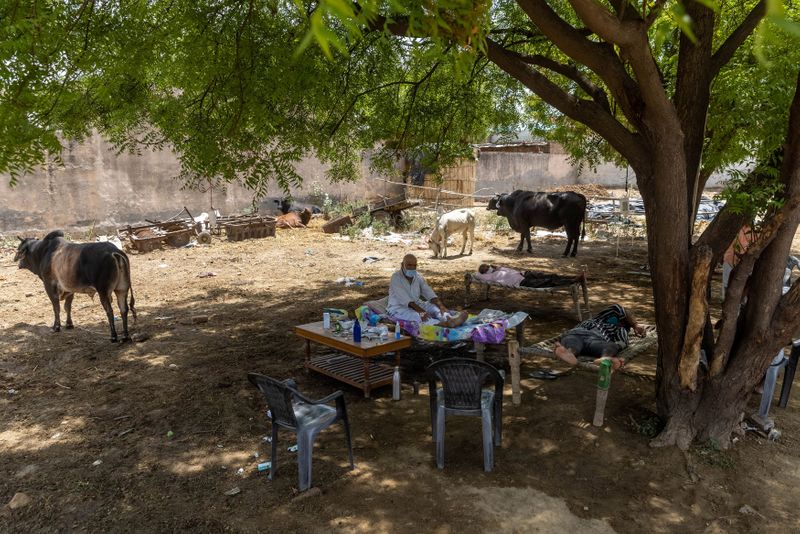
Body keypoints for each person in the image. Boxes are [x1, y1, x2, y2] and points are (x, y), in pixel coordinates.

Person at [553, 304, 646, 370]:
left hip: (596, 340)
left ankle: (604, 359)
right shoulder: (597, 319)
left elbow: (622, 342)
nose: (617, 320)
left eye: (621, 321)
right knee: (573, 343)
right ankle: (568, 353)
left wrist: (624, 331)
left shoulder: (619, 329)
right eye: (619, 318)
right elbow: (618, 308)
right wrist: (635, 325)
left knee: (612, 346)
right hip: (576, 334)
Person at [388, 254, 468, 327]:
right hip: (399, 309)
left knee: (433, 307)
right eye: (409, 265)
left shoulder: (418, 276)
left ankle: (449, 318)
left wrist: (441, 306)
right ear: (402, 265)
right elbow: (405, 300)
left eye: (414, 265)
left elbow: (428, 292)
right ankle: (444, 324)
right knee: (419, 317)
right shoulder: (396, 278)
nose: (412, 268)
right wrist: (421, 311)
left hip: (416, 304)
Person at [475, 264, 586, 288]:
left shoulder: (498, 269)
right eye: (484, 269)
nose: (486, 267)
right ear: (484, 272)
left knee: (550, 275)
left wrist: (496, 267)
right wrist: (482, 271)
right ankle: (573, 281)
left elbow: (507, 269)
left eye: (486, 266)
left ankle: (571, 278)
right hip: (520, 282)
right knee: (548, 281)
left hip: (523, 274)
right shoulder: (488, 277)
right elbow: (477, 275)